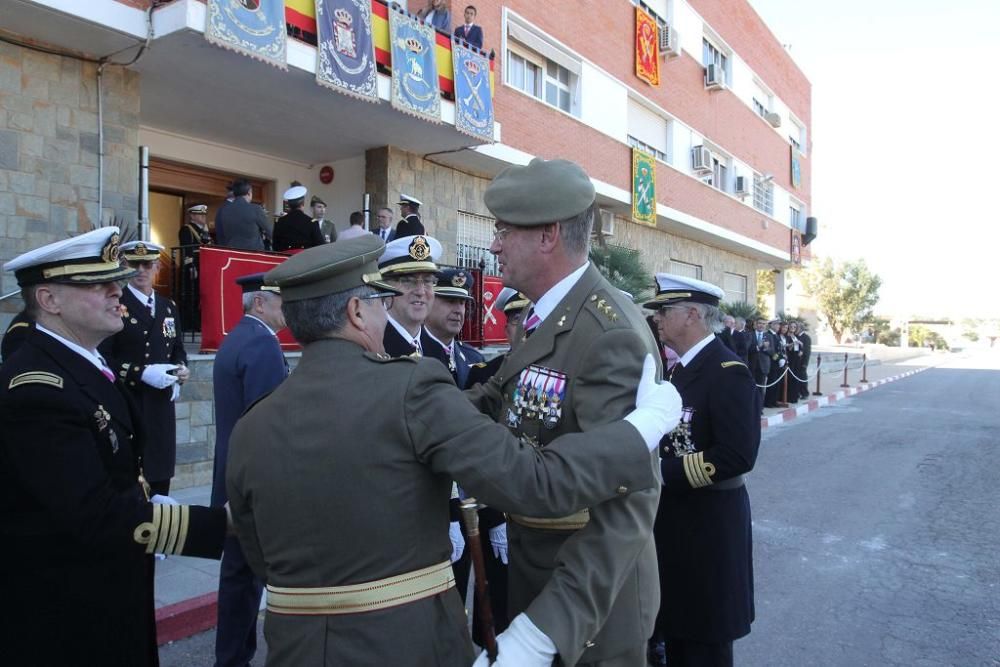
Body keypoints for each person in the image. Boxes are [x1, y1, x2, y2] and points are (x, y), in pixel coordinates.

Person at [225, 235, 681, 667]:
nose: (387, 314)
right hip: (412, 644)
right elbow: (537, 483)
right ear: (356, 313)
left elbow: (259, 553)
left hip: (296, 649)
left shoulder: (252, 425)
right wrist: (641, 428)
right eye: (381, 303)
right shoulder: (411, 388)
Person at [465, 157, 665, 667]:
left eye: (503, 230)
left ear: (548, 235)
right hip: (538, 567)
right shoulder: (548, 317)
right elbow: (491, 403)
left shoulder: (608, 332)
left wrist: (547, 628)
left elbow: (628, 505)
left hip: (590, 605)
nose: (493, 244)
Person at [0, 227, 227, 666]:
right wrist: (219, 525)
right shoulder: (37, 386)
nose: (116, 289)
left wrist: (149, 497)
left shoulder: (79, 358)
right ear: (49, 300)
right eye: (97, 283)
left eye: (116, 278)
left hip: (105, 583)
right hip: (69, 608)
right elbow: (92, 512)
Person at [643, 273, 760, 667]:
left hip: (710, 527)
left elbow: (737, 455)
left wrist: (663, 473)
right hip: (675, 525)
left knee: (704, 642)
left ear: (693, 314)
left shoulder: (728, 372)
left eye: (665, 310)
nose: (657, 318)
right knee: (677, 632)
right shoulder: (679, 371)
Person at [212, 272, 288, 667]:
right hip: (250, 480)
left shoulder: (239, 337)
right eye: (280, 300)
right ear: (260, 304)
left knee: (239, 575)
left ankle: (232, 656)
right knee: (246, 577)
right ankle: (233, 658)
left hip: (231, 471)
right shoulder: (261, 344)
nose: (286, 308)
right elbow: (268, 425)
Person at [100, 240, 188, 497]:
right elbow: (102, 358)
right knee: (133, 478)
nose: (141, 270)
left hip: (161, 406)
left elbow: (178, 349)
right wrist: (141, 373)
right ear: (124, 267)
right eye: (134, 264)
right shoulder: (115, 303)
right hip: (129, 402)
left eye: (147, 264)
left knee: (160, 476)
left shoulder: (168, 306)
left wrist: (181, 370)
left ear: (157, 267)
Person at [378, 234, 442, 357]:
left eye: (428, 281)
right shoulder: (374, 346)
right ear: (384, 287)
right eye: (408, 281)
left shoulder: (436, 350)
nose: (421, 292)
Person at [424, 267, 485, 388]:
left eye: (462, 303)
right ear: (428, 302)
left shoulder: (474, 358)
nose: (458, 311)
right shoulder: (413, 352)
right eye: (450, 301)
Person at [178, 203, 213, 332]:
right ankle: (189, 324)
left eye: (204, 214)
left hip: (204, 266)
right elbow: (186, 250)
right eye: (200, 214)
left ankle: (198, 323)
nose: (203, 217)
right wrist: (191, 266)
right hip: (193, 267)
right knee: (190, 296)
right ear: (192, 215)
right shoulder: (187, 229)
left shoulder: (204, 230)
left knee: (200, 296)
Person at [216, 179, 272, 251]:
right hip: (254, 254)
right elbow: (270, 232)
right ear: (249, 192)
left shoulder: (224, 210)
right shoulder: (255, 209)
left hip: (232, 253)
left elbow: (221, 235)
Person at [273, 185, 325, 252]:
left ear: (288, 204)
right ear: (302, 203)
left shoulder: (279, 221)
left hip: (285, 261)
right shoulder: (312, 222)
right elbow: (320, 245)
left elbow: (275, 246)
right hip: (305, 260)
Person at [747, 317, 771, 406]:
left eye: (764, 324)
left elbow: (772, 351)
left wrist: (766, 348)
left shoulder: (769, 336)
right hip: (752, 366)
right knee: (751, 388)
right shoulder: (750, 335)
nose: (762, 325)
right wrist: (758, 347)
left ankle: (759, 408)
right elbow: (747, 349)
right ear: (756, 324)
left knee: (761, 389)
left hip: (763, 367)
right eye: (760, 323)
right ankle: (751, 406)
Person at [763, 318, 785, 408]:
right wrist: (778, 359)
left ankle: (774, 400)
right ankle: (768, 402)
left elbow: (780, 349)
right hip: (772, 362)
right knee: (771, 382)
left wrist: (782, 358)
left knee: (776, 383)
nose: (778, 326)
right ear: (771, 325)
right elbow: (768, 349)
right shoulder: (767, 334)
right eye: (776, 324)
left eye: (779, 324)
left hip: (778, 363)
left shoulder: (776, 335)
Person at [794, 322, 812, 400]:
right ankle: (797, 392)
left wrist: (805, 363)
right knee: (797, 378)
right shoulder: (795, 337)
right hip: (796, 361)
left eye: (796, 328)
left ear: (800, 328)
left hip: (802, 362)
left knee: (803, 377)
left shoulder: (806, 337)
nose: (795, 329)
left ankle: (804, 393)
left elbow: (807, 351)